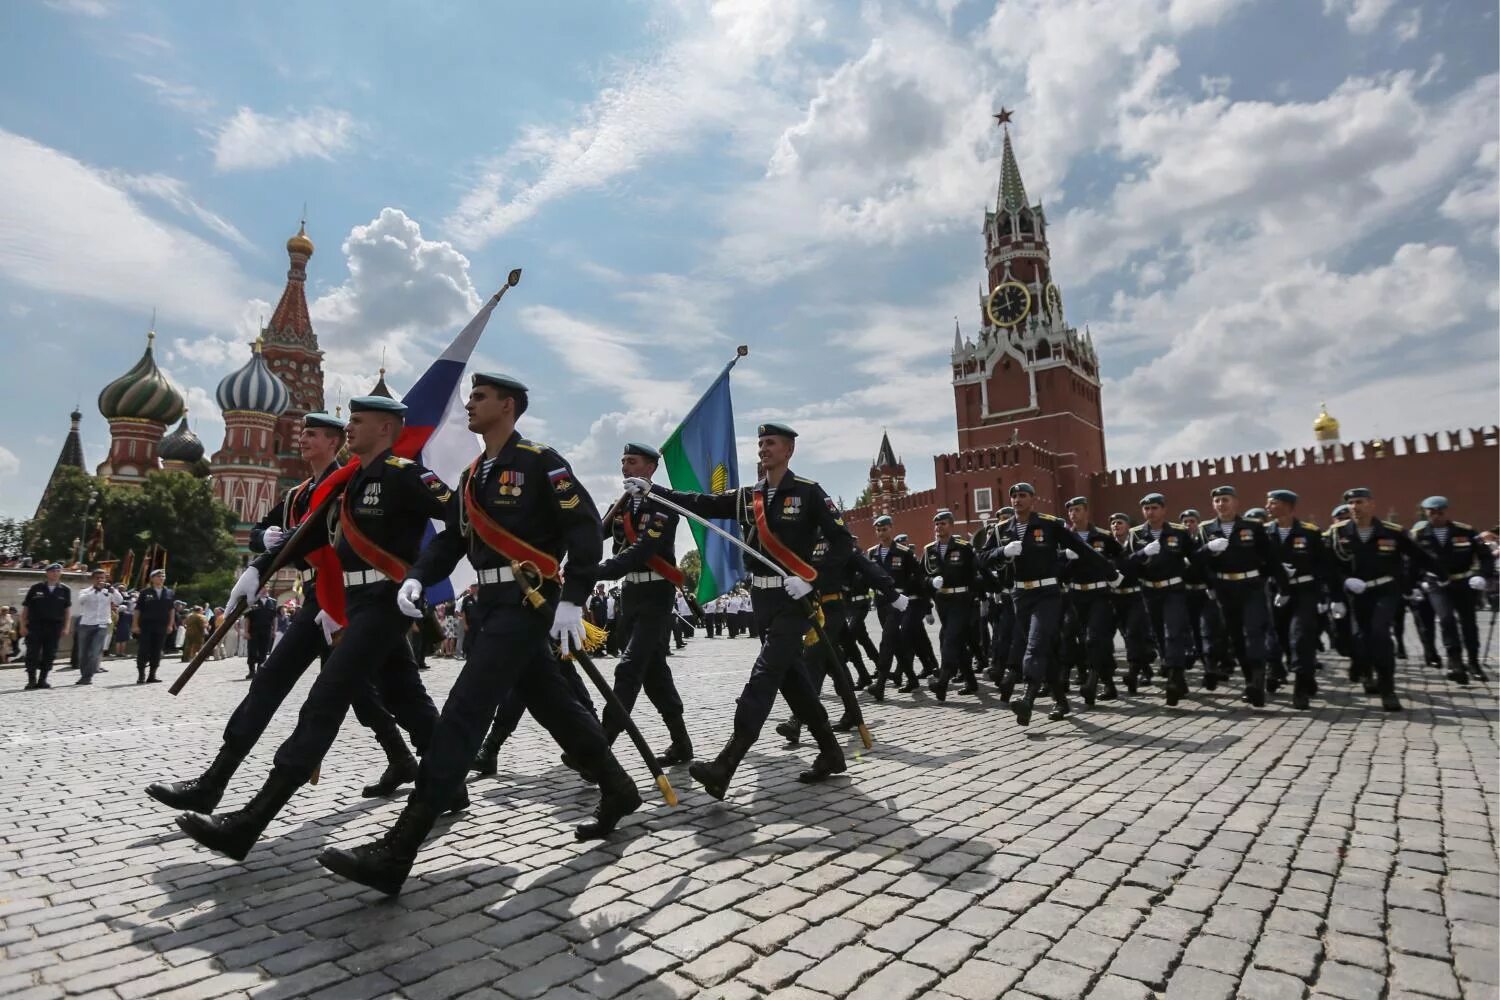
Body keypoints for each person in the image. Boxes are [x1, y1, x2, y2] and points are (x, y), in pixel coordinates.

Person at [317, 373, 640, 895]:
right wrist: (420, 575)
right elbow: (451, 542)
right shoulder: (472, 477)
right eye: (471, 396)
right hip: (492, 608)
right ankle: (618, 787)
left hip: (527, 602)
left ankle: (400, 847)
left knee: (464, 712)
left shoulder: (539, 461)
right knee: (552, 702)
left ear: (508, 406)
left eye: (480, 397)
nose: (469, 404)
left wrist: (574, 601)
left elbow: (584, 530)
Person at [156, 403, 444, 843]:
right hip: (328, 599)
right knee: (301, 685)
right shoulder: (324, 488)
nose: (308, 438)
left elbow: (458, 520)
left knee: (358, 696)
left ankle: (437, 772)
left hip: (369, 602)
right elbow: (296, 533)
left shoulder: (383, 476)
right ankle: (215, 783)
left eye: (345, 426)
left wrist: (421, 579)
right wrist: (259, 562)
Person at [630, 421, 853, 799]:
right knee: (793, 682)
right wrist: (656, 492)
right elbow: (704, 503)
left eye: (771, 443)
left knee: (763, 677)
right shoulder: (751, 497)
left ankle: (726, 764)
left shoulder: (809, 493)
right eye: (761, 443)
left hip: (792, 599)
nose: (763, 448)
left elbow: (843, 542)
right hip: (762, 602)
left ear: (789, 450)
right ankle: (831, 752)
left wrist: (813, 579)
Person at [588, 443, 695, 769]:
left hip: (656, 596)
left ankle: (599, 751)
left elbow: (640, 551)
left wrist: (594, 571)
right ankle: (682, 743)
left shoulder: (662, 505)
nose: (625, 467)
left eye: (631, 462)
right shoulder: (620, 505)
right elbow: (595, 536)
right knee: (655, 677)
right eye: (622, 462)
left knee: (629, 669)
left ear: (650, 468)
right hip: (631, 596)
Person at [988, 483, 1115, 724]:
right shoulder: (1002, 530)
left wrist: (1109, 571)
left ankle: (1027, 699)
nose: (1017, 500)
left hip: (1047, 594)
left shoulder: (1048, 524)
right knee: (1045, 650)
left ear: (1032, 499)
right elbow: (983, 559)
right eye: (1013, 496)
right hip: (1020, 596)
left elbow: (1081, 547)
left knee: (1035, 646)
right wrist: (1002, 552)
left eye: (1022, 495)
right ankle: (1061, 700)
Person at [1325, 487, 1436, 711]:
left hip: (1385, 590)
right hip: (1356, 593)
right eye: (1352, 503)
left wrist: (1441, 577)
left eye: (1360, 502)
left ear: (1372, 504)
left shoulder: (1391, 531)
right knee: (1359, 637)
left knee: (1380, 633)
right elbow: (1328, 565)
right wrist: (1341, 585)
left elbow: (1419, 557)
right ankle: (1366, 674)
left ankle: (1388, 689)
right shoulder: (1337, 533)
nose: (1355, 507)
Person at [1196, 486, 1289, 707]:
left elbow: (1271, 558)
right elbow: (1198, 562)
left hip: (1251, 587)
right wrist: (1209, 578)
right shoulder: (1207, 529)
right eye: (1217, 500)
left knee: (1253, 632)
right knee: (1236, 637)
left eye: (1225, 499)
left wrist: (1283, 587)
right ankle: (1250, 679)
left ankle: (1257, 681)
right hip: (1224, 588)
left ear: (1236, 502)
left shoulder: (1253, 527)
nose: (1221, 504)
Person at [1410, 496, 1494, 685]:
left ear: (1446, 511)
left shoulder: (1465, 530)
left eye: (1440, 512)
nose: (1436, 516)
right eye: (1432, 512)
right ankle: (1454, 662)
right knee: (1446, 618)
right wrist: (1414, 584)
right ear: (1425, 512)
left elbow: (1485, 555)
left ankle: (1473, 663)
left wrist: (1482, 575)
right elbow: (1412, 561)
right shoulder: (1419, 534)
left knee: (1469, 623)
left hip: (1463, 582)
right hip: (1436, 584)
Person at [1128, 494, 1198, 706]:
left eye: (1155, 508)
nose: (1151, 512)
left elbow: (1194, 559)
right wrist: (1142, 553)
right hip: (1150, 592)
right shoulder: (1136, 534)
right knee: (1159, 635)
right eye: (1147, 508)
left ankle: (1174, 678)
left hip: (1174, 590)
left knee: (1173, 632)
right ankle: (1176, 673)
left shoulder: (1178, 532)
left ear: (1164, 509)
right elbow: (1128, 564)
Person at [1059, 498, 1126, 705]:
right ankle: (1106, 681)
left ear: (1086, 511)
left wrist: (1116, 574)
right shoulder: (1064, 538)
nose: (1073, 514)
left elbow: (1121, 557)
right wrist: (1064, 555)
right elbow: (1053, 564)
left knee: (1095, 638)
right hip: (1075, 596)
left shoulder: (1103, 537)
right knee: (1069, 636)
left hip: (1099, 595)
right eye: (1070, 511)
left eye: (1077, 510)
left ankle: (1095, 680)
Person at [1264, 490, 1325, 709]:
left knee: (1300, 636)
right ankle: (1298, 671)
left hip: (1304, 591)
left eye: (1273, 503)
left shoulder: (1310, 533)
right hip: (1275, 592)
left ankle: (1300, 686)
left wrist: (1325, 595)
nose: (1268, 506)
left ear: (1288, 506)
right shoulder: (1264, 533)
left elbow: (1322, 564)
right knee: (1279, 637)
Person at [864, 515, 925, 700]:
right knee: (895, 642)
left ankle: (880, 684)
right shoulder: (872, 553)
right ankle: (912, 679)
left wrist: (910, 597)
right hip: (882, 603)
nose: (881, 533)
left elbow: (917, 576)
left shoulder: (904, 552)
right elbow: (869, 575)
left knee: (886, 640)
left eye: (884, 529)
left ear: (891, 528)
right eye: (878, 530)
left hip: (897, 603)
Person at [923, 509, 981, 701]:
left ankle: (943, 681)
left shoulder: (964, 547)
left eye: (943, 524)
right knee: (957, 641)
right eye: (937, 524)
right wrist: (931, 583)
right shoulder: (929, 549)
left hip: (962, 600)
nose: (939, 527)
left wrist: (980, 598)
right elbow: (920, 576)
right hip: (943, 602)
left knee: (948, 639)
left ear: (951, 525)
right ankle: (971, 681)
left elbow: (975, 573)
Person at [20, 563, 72, 690]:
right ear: (47, 573)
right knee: (32, 653)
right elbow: (26, 608)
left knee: (50, 653)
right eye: (52, 571)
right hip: (35, 626)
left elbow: (67, 611)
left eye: (58, 571)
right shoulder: (36, 588)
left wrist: (66, 627)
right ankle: (31, 680)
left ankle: (43, 679)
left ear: (61, 573)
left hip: (54, 626)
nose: (55, 573)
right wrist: (22, 625)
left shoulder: (65, 590)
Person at [75, 568, 122, 685]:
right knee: (83, 653)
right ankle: (84, 674)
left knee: (94, 651)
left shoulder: (109, 591)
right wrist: (95, 590)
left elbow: (119, 600)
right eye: (97, 578)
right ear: (93, 579)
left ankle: (87, 677)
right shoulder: (85, 591)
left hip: (102, 624)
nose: (100, 580)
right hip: (86, 624)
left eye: (102, 578)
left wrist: (113, 590)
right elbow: (81, 601)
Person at [132, 569, 175, 684]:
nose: (161, 578)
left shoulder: (169, 592)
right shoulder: (145, 592)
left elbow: (171, 610)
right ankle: (141, 674)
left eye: (163, 576)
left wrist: (170, 624)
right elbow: (138, 610)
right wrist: (135, 624)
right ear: (152, 578)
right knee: (143, 650)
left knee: (157, 650)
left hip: (161, 626)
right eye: (158, 576)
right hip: (146, 625)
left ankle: (152, 675)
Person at [243, 588, 278, 680]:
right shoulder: (252, 601)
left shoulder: (273, 602)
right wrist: (246, 632)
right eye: (262, 588)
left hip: (266, 630)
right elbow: (247, 618)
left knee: (264, 651)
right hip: (253, 630)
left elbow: (274, 618)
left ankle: (260, 670)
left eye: (266, 588)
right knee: (252, 650)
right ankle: (251, 671)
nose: (264, 590)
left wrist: (274, 631)